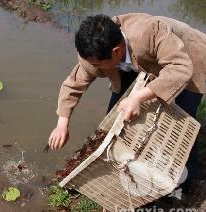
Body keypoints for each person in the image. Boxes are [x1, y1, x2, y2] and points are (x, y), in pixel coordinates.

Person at [48, 13, 205, 192]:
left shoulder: (149, 33)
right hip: (137, 62)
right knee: (115, 113)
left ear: (116, 52)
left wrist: (138, 97)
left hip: (188, 60)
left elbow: (180, 70)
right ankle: (121, 162)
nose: (94, 68)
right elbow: (74, 84)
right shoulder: (95, 51)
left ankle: (186, 181)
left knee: (181, 125)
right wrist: (62, 123)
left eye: (98, 65)